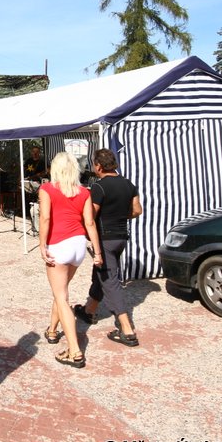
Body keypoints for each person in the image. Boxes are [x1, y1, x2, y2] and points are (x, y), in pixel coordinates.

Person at [73, 148, 143, 347]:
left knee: (110, 280)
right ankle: (89, 310)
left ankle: (127, 330)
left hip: (105, 239)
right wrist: (119, 215)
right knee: (102, 273)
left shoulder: (99, 187)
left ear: (99, 166)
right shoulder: (128, 184)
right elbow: (137, 210)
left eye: (94, 164)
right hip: (121, 237)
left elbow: (91, 216)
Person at [39, 152, 101, 369]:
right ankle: (52, 330)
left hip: (58, 244)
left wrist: (42, 244)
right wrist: (98, 252)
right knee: (61, 291)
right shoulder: (84, 192)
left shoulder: (47, 189)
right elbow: (89, 223)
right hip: (78, 245)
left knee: (61, 297)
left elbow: (45, 217)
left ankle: (74, 351)